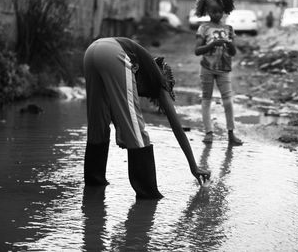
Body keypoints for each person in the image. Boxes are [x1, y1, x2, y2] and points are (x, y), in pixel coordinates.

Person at [83, 37, 210, 199]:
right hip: (113, 53)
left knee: (97, 126)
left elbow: (112, 110)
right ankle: (148, 195)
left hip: (92, 50)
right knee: (137, 133)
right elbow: (177, 128)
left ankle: (94, 185)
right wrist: (194, 167)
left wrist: (121, 131)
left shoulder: (144, 68)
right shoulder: (159, 80)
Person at [194, 0, 243, 146]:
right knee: (206, 100)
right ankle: (209, 132)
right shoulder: (203, 28)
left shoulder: (228, 29)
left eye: (220, 12)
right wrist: (212, 44)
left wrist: (229, 45)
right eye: (214, 11)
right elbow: (197, 51)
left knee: (228, 101)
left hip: (224, 69)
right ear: (208, 11)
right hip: (207, 68)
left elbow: (234, 52)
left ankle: (231, 134)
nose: (217, 14)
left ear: (224, 11)